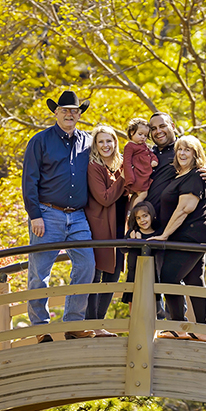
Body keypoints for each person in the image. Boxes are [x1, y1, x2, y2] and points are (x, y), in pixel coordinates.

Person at [21, 90, 104, 341]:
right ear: (56, 112)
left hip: (78, 216)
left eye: (74, 110)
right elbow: (29, 180)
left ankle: (73, 323)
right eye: (65, 110)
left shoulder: (87, 141)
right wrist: (35, 215)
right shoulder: (40, 141)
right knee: (39, 273)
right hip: (47, 214)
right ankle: (40, 327)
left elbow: (109, 164)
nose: (70, 114)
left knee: (87, 265)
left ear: (80, 114)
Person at [148, 135, 206, 341]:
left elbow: (184, 209)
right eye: (180, 149)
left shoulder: (196, 175)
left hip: (193, 233)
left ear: (196, 154)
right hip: (189, 233)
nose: (182, 153)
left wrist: (164, 235)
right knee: (194, 279)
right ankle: (201, 330)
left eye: (188, 150)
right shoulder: (181, 174)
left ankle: (178, 326)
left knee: (169, 277)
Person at [83, 124, 127, 328]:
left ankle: (99, 324)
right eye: (100, 141)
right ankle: (90, 323)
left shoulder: (122, 164)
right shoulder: (94, 167)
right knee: (96, 275)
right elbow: (105, 198)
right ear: (95, 145)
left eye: (109, 140)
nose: (105, 145)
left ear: (115, 142)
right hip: (100, 226)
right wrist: (125, 178)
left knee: (114, 275)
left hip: (120, 227)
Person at [120, 201, 165, 317]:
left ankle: (153, 334)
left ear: (151, 215)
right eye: (138, 218)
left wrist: (142, 242)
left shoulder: (159, 233)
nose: (142, 220)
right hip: (134, 275)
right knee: (133, 304)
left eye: (145, 216)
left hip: (153, 276)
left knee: (155, 308)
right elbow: (123, 250)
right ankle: (135, 331)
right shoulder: (133, 232)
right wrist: (133, 242)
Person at [123, 117, 157, 206]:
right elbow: (127, 163)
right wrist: (130, 178)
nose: (143, 137)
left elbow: (151, 153)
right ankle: (134, 211)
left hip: (144, 175)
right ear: (131, 132)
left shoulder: (144, 146)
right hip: (137, 176)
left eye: (145, 135)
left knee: (142, 195)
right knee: (143, 194)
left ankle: (133, 210)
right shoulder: (130, 146)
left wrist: (154, 160)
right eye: (140, 134)